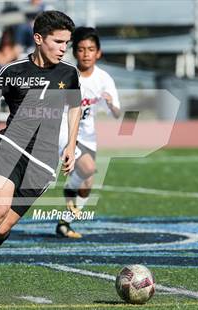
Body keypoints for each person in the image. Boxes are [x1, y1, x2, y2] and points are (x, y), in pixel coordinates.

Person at [0, 10, 81, 300]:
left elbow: (75, 108)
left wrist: (71, 145)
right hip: (10, 147)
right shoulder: (14, 71)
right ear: (38, 39)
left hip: (44, 161)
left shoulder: (69, 73)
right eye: (58, 41)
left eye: (67, 43)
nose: (64, 48)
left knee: (4, 226)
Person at [56, 27, 121, 238]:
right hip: (65, 132)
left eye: (91, 49)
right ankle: (70, 190)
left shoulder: (104, 79)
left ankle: (65, 223)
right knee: (88, 168)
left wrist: (111, 104)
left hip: (88, 136)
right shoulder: (66, 75)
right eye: (82, 49)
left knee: (87, 182)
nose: (86, 54)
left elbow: (117, 114)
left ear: (98, 53)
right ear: (75, 52)